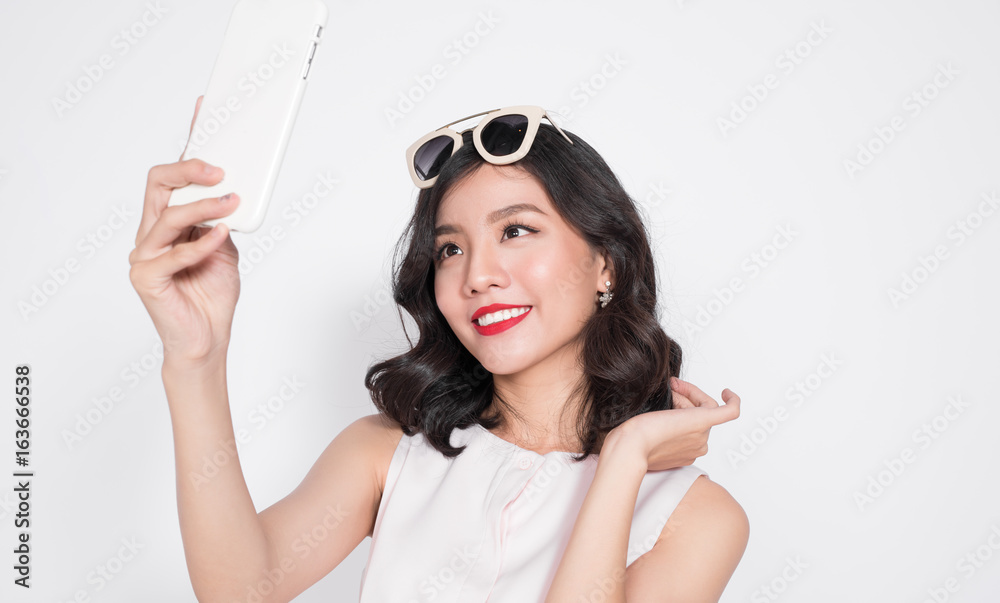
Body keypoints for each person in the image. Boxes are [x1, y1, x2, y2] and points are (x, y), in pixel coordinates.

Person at [129, 99, 748, 602]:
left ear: (605, 264)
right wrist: (196, 359)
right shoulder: (387, 452)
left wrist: (624, 458)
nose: (477, 274)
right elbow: (241, 591)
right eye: (450, 248)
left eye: (516, 230)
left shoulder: (695, 517)